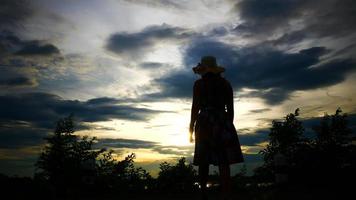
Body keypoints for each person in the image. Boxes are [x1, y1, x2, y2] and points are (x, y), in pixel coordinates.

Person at [189, 56, 244, 200]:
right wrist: (228, 125)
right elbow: (231, 109)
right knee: (223, 160)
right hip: (222, 120)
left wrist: (191, 126)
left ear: (204, 70)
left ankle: (203, 193)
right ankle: (226, 193)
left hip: (204, 121)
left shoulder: (198, 85)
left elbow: (195, 107)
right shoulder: (226, 84)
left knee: (203, 160)